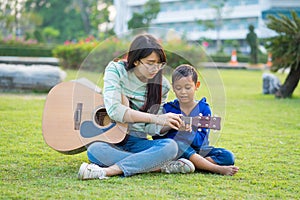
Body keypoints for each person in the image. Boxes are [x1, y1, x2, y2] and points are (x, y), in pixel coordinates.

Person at [78, 34, 195, 180]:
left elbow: (149, 128)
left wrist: (168, 124)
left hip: (137, 141)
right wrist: (156, 118)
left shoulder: (162, 85)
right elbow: (114, 110)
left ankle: (107, 171)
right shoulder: (116, 70)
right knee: (94, 150)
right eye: (150, 63)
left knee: (170, 146)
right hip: (110, 140)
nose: (156, 68)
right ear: (136, 61)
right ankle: (157, 165)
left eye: (160, 63)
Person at [153, 64, 239, 176]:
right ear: (173, 87)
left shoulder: (203, 109)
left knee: (227, 156)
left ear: (196, 85)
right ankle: (213, 168)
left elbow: (200, 142)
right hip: (174, 150)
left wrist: (188, 131)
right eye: (178, 88)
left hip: (198, 150)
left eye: (187, 87)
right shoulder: (168, 108)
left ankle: (188, 164)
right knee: (177, 144)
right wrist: (173, 127)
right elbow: (156, 136)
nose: (183, 92)